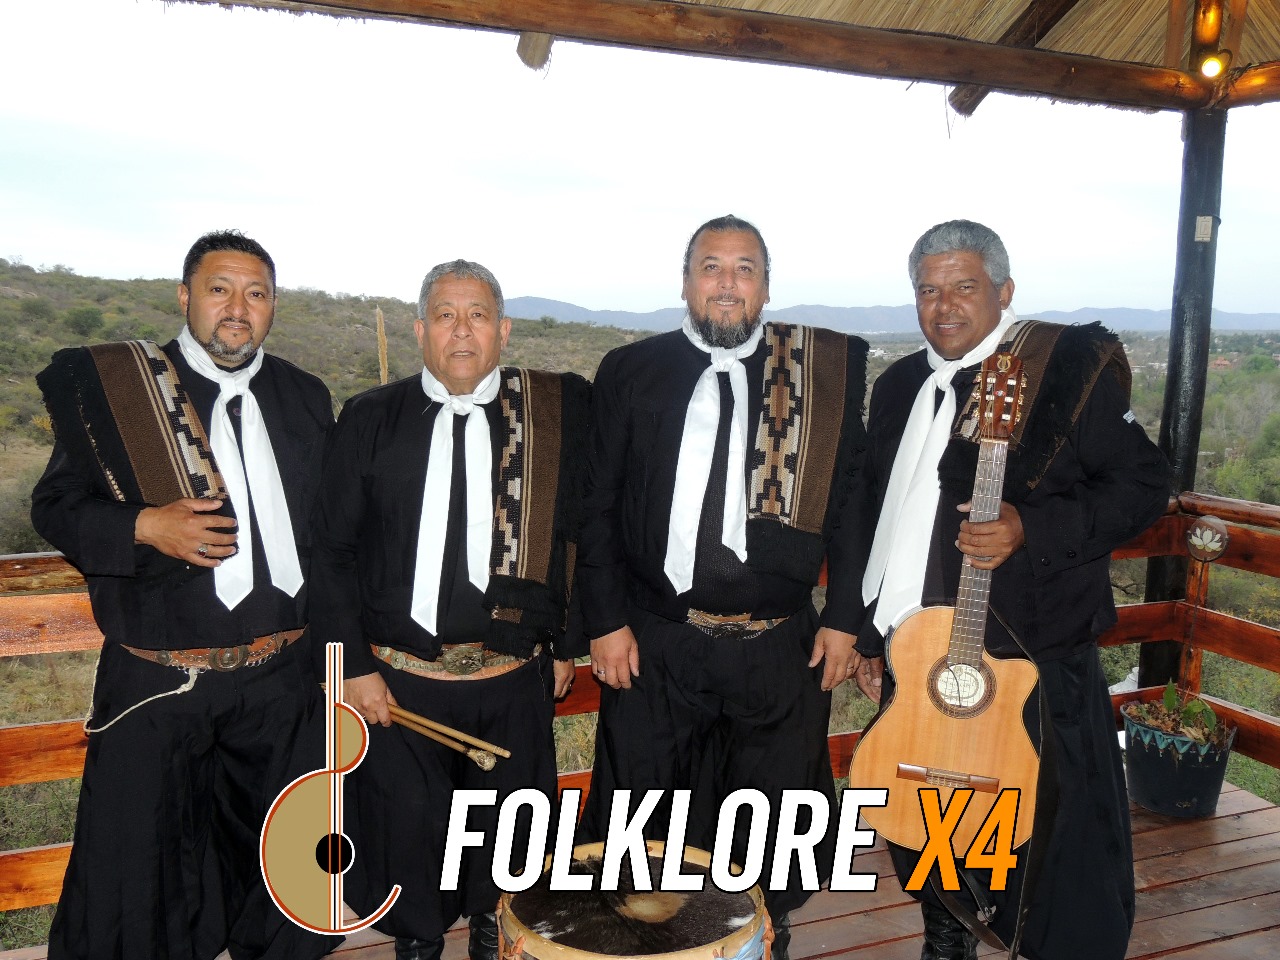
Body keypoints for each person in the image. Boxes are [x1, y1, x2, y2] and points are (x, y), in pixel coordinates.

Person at [856, 219, 1170, 960]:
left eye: (964, 287)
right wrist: (871, 637)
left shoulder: (1062, 373)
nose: (944, 307)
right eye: (928, 291)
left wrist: (1033, 526)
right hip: (916, 653)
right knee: (927, 809)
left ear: (1004, 291)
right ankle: (948, 940)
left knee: (1053, 834)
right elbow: (882, 517)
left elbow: (1144, 484)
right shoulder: (898, 386)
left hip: (1030, 651)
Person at [32, 230, 336, 960]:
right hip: (160, 680)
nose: (238, 308)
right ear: (184, 297)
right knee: (141, 875)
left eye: (256, 294)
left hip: (281, 678)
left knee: (284, 871)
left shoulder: (304, 395)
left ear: (273, 306)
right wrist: (143, 525)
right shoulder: (123, 390)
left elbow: (333, 529)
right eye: (219, 289)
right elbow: (56, 505)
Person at [576, 215, 874, 958]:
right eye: (712, 266)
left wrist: (844, 618)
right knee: (645, 817)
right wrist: (604, 621)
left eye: (746, 268)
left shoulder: (819, 377)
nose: (728, 283)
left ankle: (766, 939)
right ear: (686, 282)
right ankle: (648, 942)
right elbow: (595, 506)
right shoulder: (631, 371)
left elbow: (850, 509)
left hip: (776, 646)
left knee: (772, 819)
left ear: (766, 287)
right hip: (657, 641)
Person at [310, 259, 589, 960]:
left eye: (478, 315)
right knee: (410, 847)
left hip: (512, 680)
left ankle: (495, 942)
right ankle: (417, 944)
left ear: (504, 330)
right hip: (399, 685)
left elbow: (577, 537)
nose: (462, 330)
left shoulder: (550, 421)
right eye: (445, 315)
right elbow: (331, 553)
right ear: (419, 331)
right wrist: (351, 667)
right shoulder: (370, 418)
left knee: (509, 845)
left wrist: (565, 645)